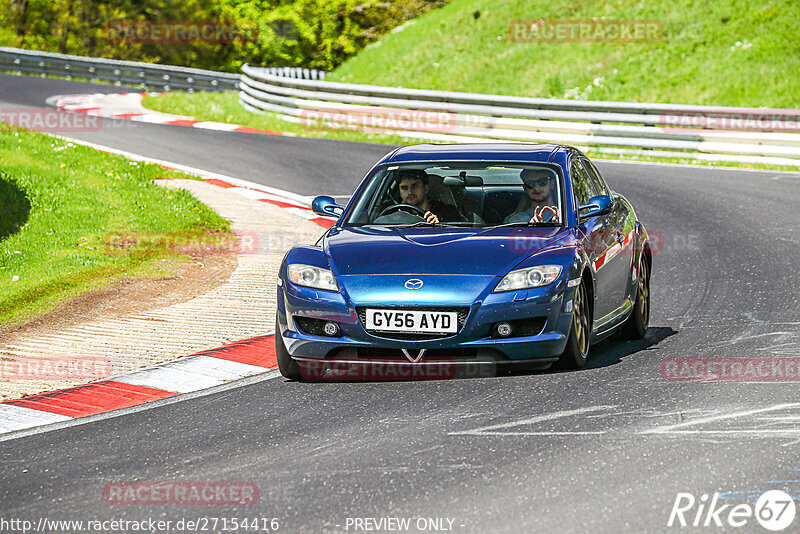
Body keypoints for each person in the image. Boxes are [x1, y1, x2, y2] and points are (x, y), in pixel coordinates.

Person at [394, 169, 462, 224]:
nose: (409, 192)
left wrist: (440, 225)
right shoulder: (394, 214)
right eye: (404, 188)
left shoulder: (447, 212)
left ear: (426, 188)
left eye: (415, 186)